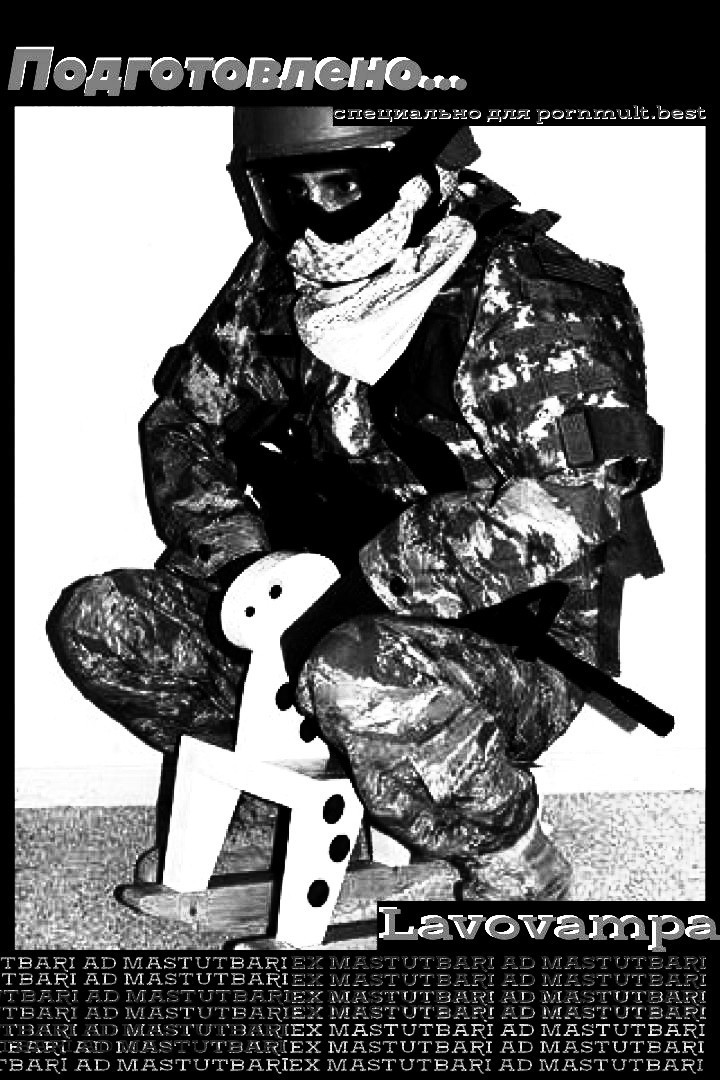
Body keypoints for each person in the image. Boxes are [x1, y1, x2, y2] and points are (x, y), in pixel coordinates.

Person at [47, 107, 663, 902]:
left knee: (354, 674)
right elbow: (182, 424)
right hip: (306, 603)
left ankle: (513, 853)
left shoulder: (536, 300)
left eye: (340, 187)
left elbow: (572, 511)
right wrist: (249, 571)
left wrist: (364, 585)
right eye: (285, 194)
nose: (311, 224)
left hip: (502, 642)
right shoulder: (282, 279)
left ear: (422, 174)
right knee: (100, 621)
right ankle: (277, 798)